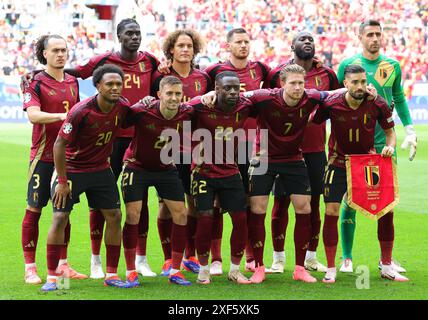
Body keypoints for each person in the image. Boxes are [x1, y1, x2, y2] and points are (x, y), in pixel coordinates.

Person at [70, 18, 160, 278]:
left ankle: (141, 259)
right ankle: (95, 259)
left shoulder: (150, 61)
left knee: (139, 200)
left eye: (138, 33)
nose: (135, 37)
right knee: (101, 201)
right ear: (118, 36)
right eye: (129, 33)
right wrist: (41, 72)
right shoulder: (103, 61)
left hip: (141, 137)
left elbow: (158, 88)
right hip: (109, 138)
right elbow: (76, 72)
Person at [313, 64, 408, 283]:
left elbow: (390, 133)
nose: (360, 86)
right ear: (345, 84)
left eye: (363, 82)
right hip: (338, 162)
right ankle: (330, 267)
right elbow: (312, 122)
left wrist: (391, 147)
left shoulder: (377, 104)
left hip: (367, 164)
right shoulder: (331, 104)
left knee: (386, 209)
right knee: (331, 210)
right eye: (355, 82)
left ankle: (386, 265)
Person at [41, 64, 132, 291]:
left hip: (101, 170)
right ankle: (53, 277)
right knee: (60, 217)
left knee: (114, 215)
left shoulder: (123, 107)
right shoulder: (81, 110)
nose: (115, 88)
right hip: (72, 169)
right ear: (98, 86)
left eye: (118, 84)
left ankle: (111, 274)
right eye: (109, 84)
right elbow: (59, 144)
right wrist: (62, 181)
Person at [336, 19, 417, 273]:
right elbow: (336, 98)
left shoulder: (391, 66)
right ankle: (347, 257)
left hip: (384, 147)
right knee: (350, 200)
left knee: (386, 201)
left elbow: (399, 97)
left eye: (378, 34)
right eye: (369, 34)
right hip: (355, 146)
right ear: (360, 36)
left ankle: (386, 259)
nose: (374, 38)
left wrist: (410, 128)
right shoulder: (348, 66)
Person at [245, 64, 329, 284]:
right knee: (257, 209)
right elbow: (236, 94)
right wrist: (209, 95)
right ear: (282, 83)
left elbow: (335, 94)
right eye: (293, 83)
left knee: (305, 207)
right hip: (263, 158)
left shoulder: (310, 97)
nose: (298, 87)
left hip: (294, 160)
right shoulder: (264, 97)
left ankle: (300, 268)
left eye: (301, 83)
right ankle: (259, 266)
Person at [263, 31, 339, 274]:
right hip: (283, 151)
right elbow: (265, 106)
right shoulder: (277, 74)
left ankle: (310, 257)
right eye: (302, 39)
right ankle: (278, 257)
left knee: (313, 203)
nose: (308, 42)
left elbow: (338, 104)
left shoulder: (327, 74)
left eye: (311, 40)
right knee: (281, 202)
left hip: (315, 150)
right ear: (292, 45)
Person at [203, 28, 270, 276]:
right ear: (227, 45)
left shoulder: (260, 69)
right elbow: (202, 95)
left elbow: (274, 94)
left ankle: (251, 255)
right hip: (218, 145)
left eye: (246, 41)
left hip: (249, 143)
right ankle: (216, 258)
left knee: (249, 202)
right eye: (238, 42)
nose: (243, 45)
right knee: (216, 203)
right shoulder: (213, 71)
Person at [21, 34, 86, 284]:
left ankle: (63, 265)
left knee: (63, 210)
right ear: (44, 54)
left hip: (66, 158)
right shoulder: (34, 82)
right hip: (42, 157)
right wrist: (63, 117)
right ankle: (30, 267)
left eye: (64, 50)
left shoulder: (72, 81)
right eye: (56, 50)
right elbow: (34, 116)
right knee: (34, 209)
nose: (61, 54)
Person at [121, 76, 194, 286]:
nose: (173, 98)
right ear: (159, 94)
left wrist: (209, 95)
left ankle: (175, 270)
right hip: (137, 166)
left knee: (181, 214)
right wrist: (137, 103)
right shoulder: (143, 110)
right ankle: (130, 270)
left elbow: (204, 105)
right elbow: (123, 118)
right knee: (133, 214)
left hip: (165, 168)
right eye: (169, 93)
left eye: (177, 94)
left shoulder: (187, 111)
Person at [150, 29, 212, 276]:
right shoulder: (161, 77)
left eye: (189, 46)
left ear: (194, 49)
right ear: (171, 50)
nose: (185, 50)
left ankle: (190, 255)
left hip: (196, 149)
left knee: (193, 204)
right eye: (180, 46)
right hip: (169, 150)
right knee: (166, 205)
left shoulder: (203, 78)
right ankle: (168, 259)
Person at [191, 71, 256, 285]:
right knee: (206, 218)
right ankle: (203, 268)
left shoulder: (244, 105)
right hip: (203, 172)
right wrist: (202, 96)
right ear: (217, 89)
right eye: (227, 88)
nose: (233, 92)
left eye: (236, 88)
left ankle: (235, 270)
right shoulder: (202, 106)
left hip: (230, 171)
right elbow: (181, 108)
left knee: (240, 219)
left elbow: (267, 95)